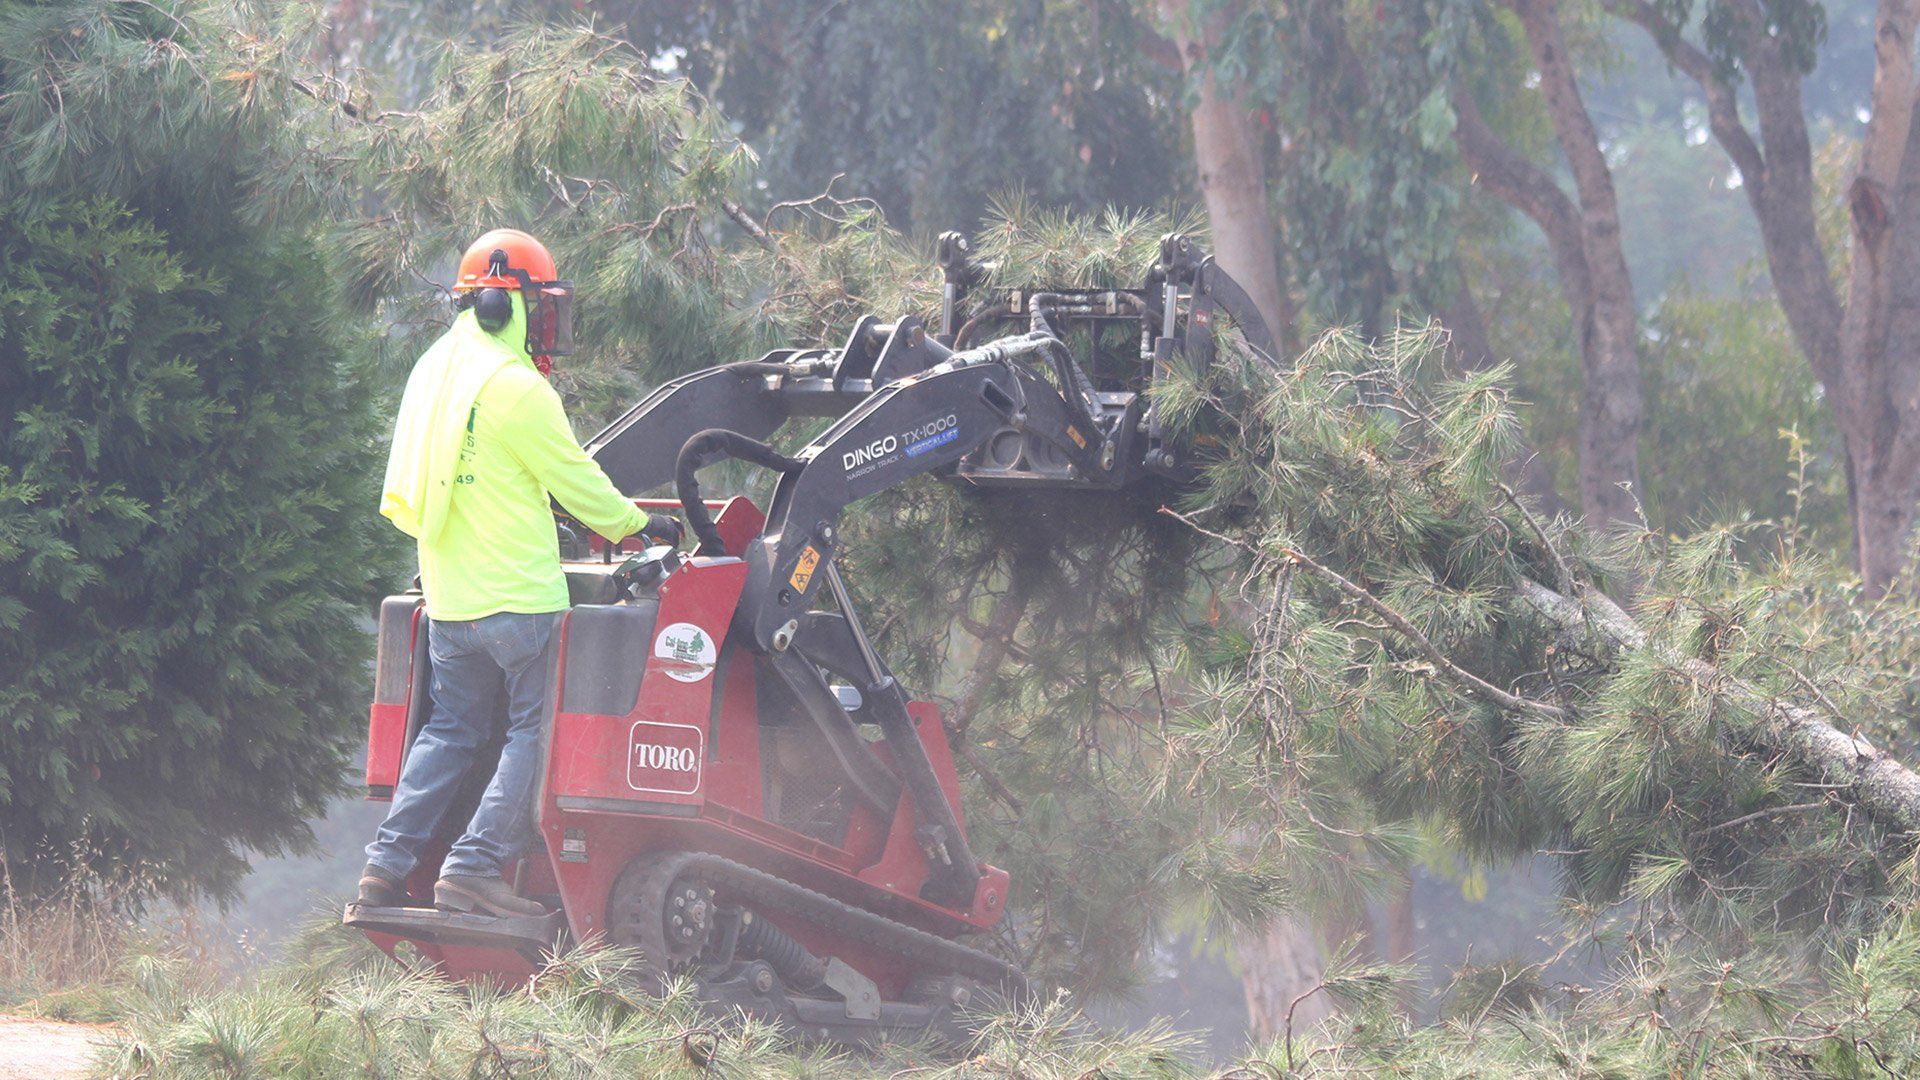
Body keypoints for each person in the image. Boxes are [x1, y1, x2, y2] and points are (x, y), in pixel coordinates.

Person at [360, 228, 680, 917]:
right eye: (542, 304)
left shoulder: (431, 373)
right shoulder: (514, 388)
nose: (548, 321)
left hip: (449, 599)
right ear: (507, 307)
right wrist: (637, 526)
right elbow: (576, 480)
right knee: (535, 732)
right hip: (519, 601)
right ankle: (473, 868)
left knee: (451, 730)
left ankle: (385, 866)